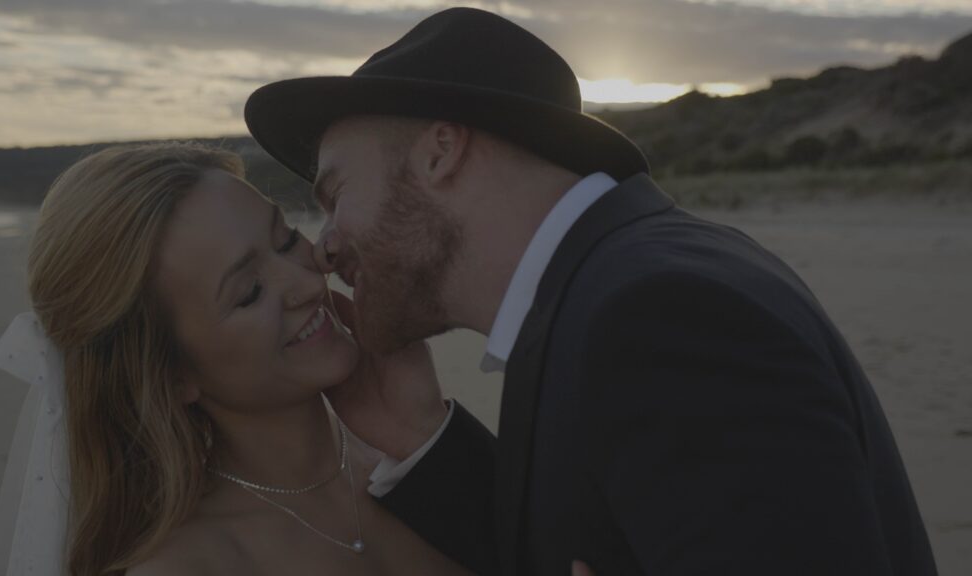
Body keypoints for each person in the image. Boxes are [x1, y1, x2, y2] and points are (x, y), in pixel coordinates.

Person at [244, 7, 938, 576]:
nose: (326, 244)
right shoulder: (609, 289)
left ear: (440, 151)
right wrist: (418, 434)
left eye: (335, 194)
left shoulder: (659, 316)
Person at [0, 143, 472, 576]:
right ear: (172, 373)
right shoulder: (189, 564)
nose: (308, 283)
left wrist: (428, 433)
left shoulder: (416, 464)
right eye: (250, 293)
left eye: (285, 240)